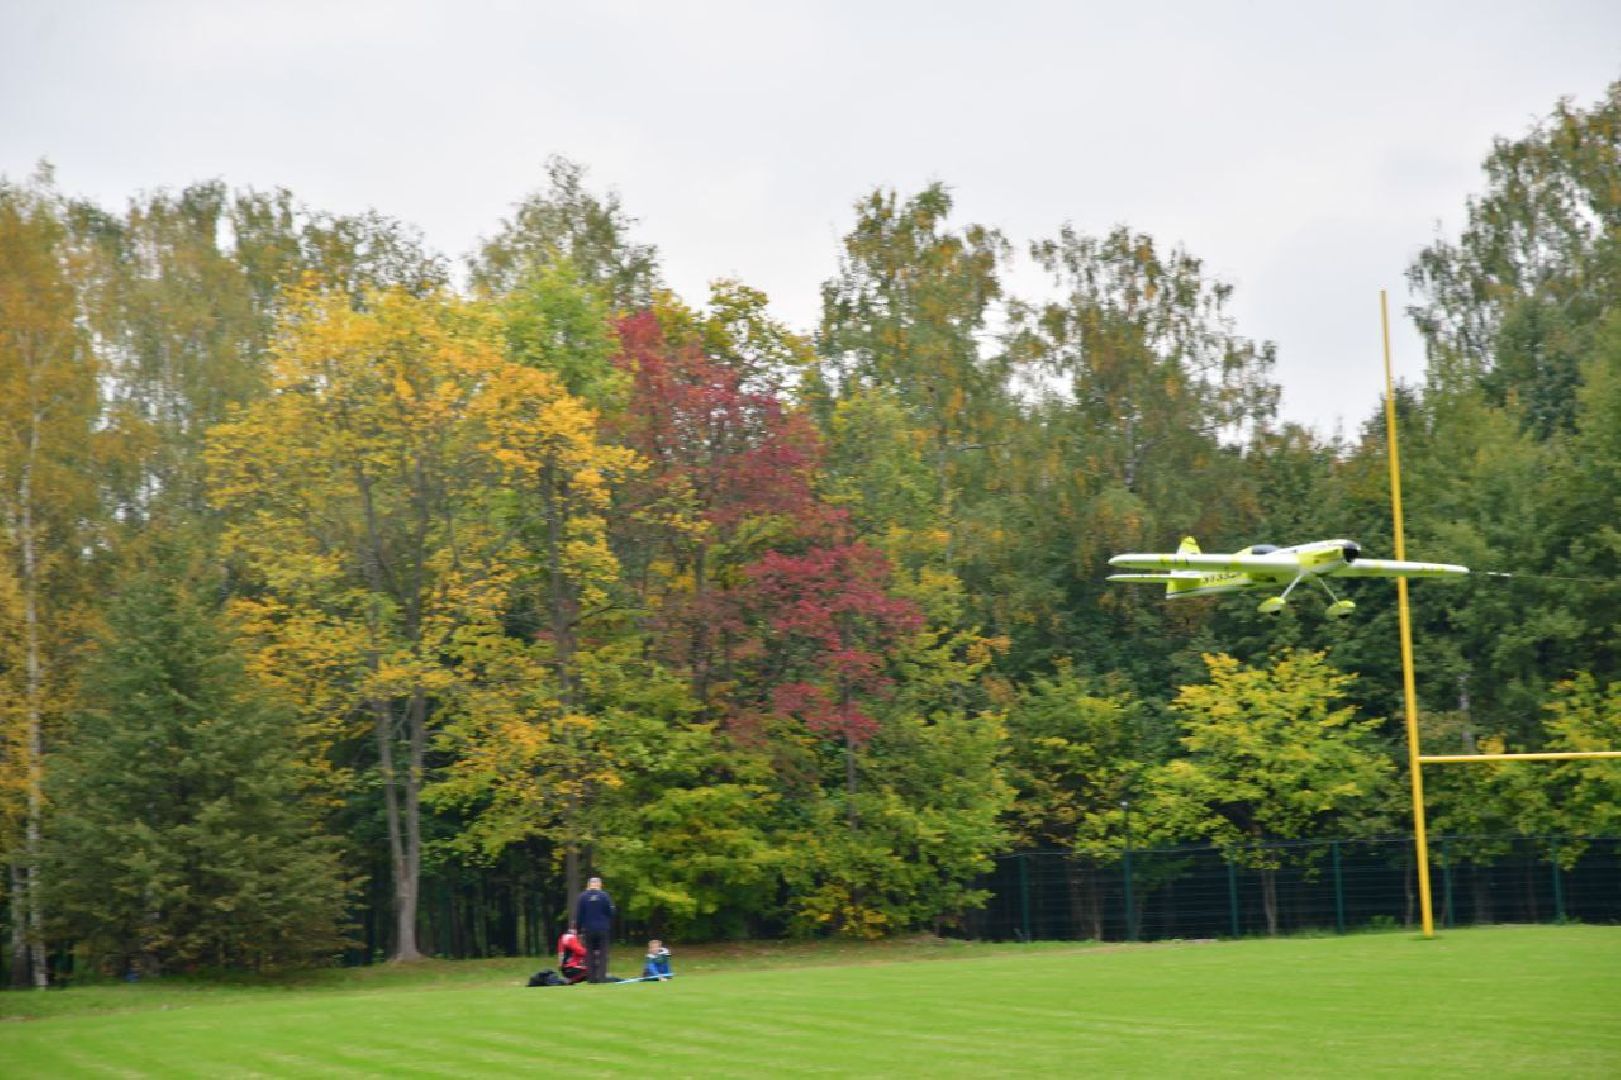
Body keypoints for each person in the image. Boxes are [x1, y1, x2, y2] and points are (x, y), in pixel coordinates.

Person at [574, 875, 615, 983]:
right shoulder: (604, 896)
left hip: (588, 929)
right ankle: (602, 977)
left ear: (588, 885)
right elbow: (611, 912)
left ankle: (591, 978)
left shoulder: (582, 897)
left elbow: (579, 915)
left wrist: (578, 930)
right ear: (599, 885)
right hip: (602, 929)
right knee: (603, 953)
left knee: (589, 954)